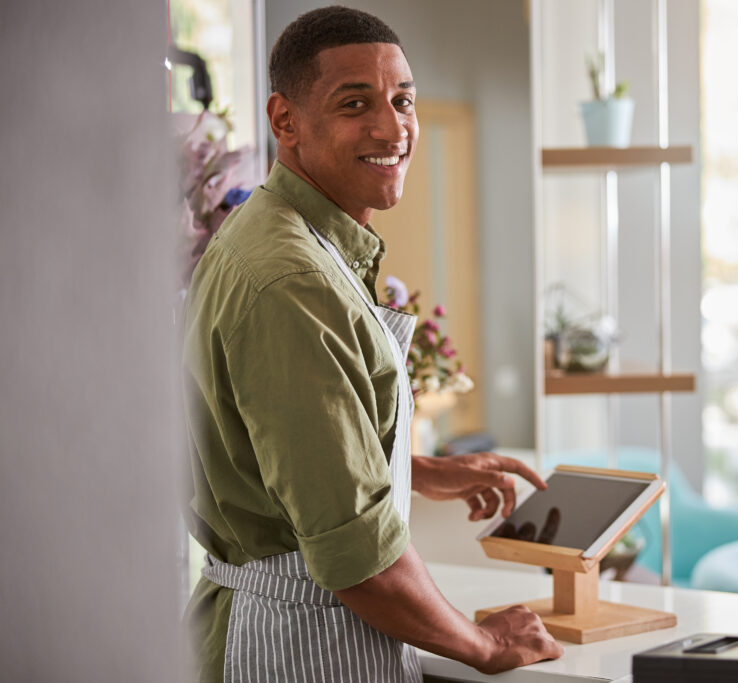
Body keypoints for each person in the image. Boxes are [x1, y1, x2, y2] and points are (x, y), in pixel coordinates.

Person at [181, 6, 563, 682]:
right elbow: (361, 561)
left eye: (403, 100)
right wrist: (486, 644)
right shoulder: (291, 280)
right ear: (285, 121)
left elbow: (289, 455)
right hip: (295, 646)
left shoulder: (282, 238)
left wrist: (422, 470)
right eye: (356, 103)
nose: (393, 127)